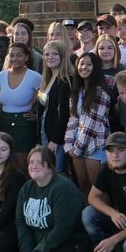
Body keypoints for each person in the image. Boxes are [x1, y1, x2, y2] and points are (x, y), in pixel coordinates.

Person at [15, 146, 91, 252]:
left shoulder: (62, 188)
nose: (34, 166)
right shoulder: (26, 188)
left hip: (69, 238)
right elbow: (21, 223)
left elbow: (63, 228)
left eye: (40, 162)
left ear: (50, 165)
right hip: (41, 240)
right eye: (31, 162)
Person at [65, 51, 114, 193]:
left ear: (95, 67)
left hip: (95, 146)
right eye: (81, 64)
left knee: (97, 188)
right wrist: (69, 145)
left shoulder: (100, 93)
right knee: (83, 185)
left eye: (88, 64)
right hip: (76, 147)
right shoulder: (77, 92)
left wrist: (77, 149)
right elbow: (73, 119)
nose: (84, 67)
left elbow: (92, 125)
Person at [0, 42, 42, 169]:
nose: (14, 58)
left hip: (24, 125)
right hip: (4, 122)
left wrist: (35, 116)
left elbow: (41, 104)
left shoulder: (35, 77)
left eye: (19, 55)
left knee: (22, 165)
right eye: (11, 55)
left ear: (26, 57)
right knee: (3, 163)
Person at [38, 40, 74, 171]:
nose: (50, 57)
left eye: (55, 54)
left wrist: (55, 140)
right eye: (47, 54)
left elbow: (65, 114)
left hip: (57, 136)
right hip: (44, 131)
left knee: (56, 172)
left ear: (63, 56)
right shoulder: (47, 78)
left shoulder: (66, 80)